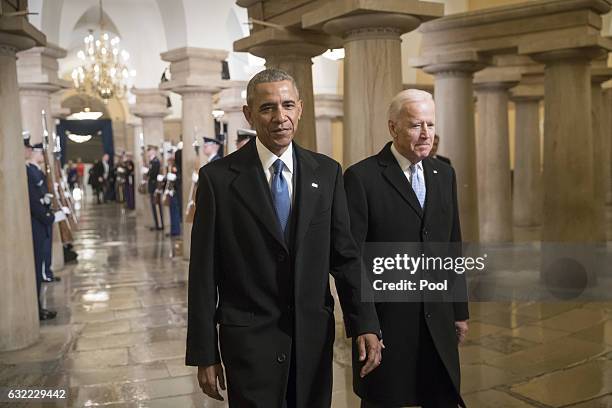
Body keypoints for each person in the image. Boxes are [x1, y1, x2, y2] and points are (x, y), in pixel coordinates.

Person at [186, 68, 382, 408]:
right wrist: (205, 352)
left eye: (288, 105)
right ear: (249, 114)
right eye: (267, 108)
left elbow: (346, 256)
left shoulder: (327, 172)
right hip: (248, 344)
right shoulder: (218, 180)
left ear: (300, 109)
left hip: (312, 342)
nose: (280, 117)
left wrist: (365, 322)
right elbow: (203, 273)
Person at [344, 89, 468, 408]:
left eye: (430, 124)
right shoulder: (362, 178)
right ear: (393, 128)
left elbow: (452, 245)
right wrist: (365, 324)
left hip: (437, 320)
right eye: (415, 125)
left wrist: (459, 310)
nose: (426, 133)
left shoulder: (444, 174)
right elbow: (352, 260)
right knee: (385, 398)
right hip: (388, 324)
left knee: (441, 395)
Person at [24, 138, 58, 320]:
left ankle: (37, 307)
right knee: (36, 265)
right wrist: (47, 216)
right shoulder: (27, 170)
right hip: (36, 221)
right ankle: (35, 308)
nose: (30, 150)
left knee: (40, 262)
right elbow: (32, 199)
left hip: (41, 220)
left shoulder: (33, 170)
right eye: (28, 147)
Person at [146, 146, 164, 231]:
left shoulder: (155, 162)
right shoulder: (152, 161)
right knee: (154, 206)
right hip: (152, 186)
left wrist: (147, 173)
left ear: (153, 152)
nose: (148, 153)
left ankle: (159, 225)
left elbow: (153, 174)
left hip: (155, 186)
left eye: (149, 151)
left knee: (156, 206)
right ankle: (157, 224)